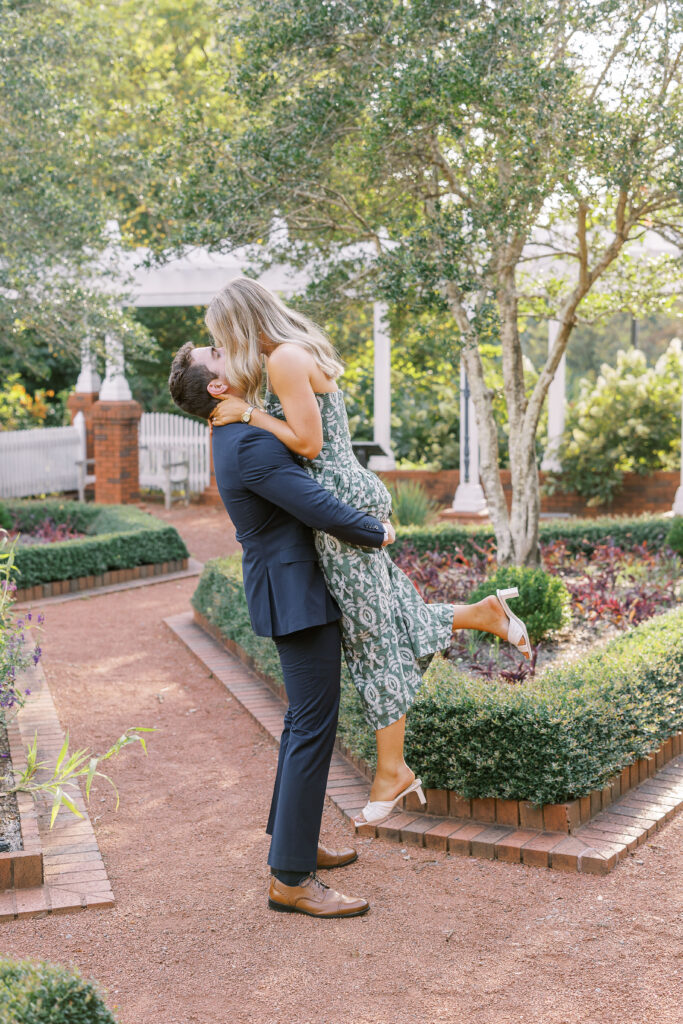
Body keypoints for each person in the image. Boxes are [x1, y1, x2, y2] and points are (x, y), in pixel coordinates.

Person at [204, 278, 531, 829]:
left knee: (369, 634)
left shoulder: (283, 357)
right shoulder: (289, 352)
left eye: (220, 337)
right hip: (344, 490)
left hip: (336, 500)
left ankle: (392, 769)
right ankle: (483, 615)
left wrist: (247, 415)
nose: (222, 348)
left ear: (239, 324)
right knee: (388, 615)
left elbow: (309, 445)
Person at [169, 341, 393, 918]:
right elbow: (316, 504)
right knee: (314, 725)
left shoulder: (239, 430)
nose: (229, 351)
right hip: (296, 597)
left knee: (303, 722)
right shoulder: (245, 443)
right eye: (217, 354)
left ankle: (292, 842)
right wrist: (379, 532)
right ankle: (290, 880)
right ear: (217, 387)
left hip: (292, 590)